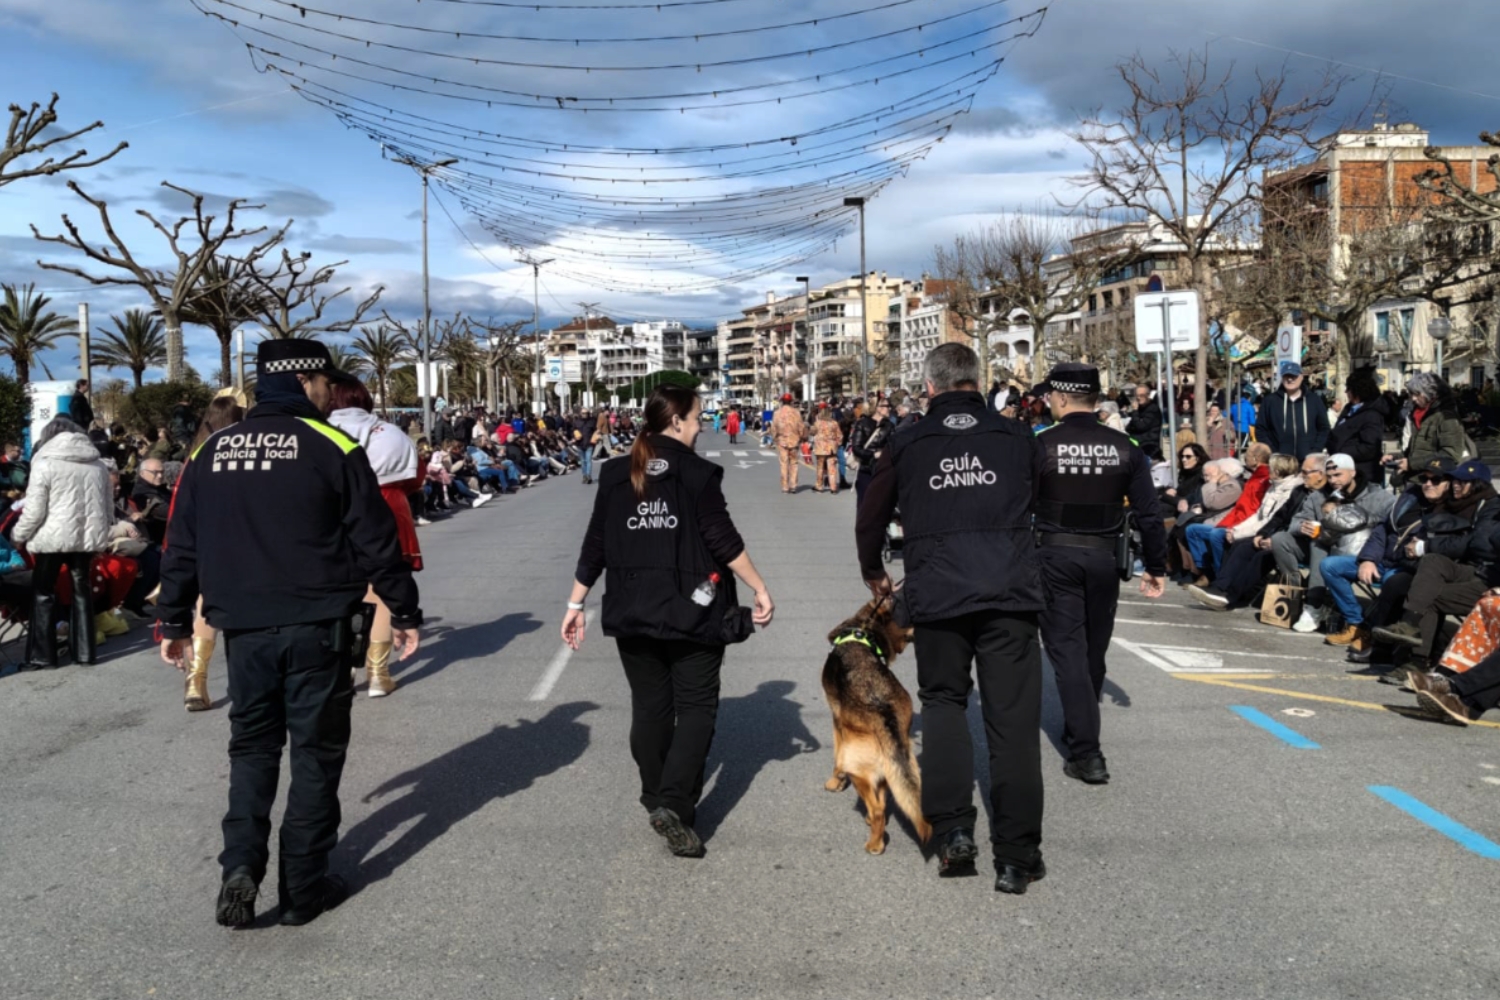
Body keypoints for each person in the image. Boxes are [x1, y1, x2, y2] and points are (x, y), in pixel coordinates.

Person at [156, 339, 421, 929]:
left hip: (243, 630)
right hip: (317, 626)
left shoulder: (214, 450)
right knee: (315, 753)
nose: (329, 390)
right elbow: (376, 541)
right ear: (305, 381)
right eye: (325, 381)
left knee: (251, 750)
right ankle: (303, 885)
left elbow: (182, 545)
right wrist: (403, 612)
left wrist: (173, 620)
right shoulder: (333, 445)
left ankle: (240, 869)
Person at [855, 343, 1048, 894]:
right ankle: (1016, 854)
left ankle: (954, 834)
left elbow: (870, 515)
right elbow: (1048, 502)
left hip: (938, 589)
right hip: (1010, 589)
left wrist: (874, 570)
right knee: (1013, 724)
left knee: (944, 703)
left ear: (931, 387)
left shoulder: (907, 440)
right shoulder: (1016, 437)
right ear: (977, 382)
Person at [563, 384, 774, 858]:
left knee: (650, 706)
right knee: (696, 707)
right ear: (676, 421)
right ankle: (675, 805)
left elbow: (595, 543)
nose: (701, 427)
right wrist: (760, 588)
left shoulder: (617, 472)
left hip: (631, 608)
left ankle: (655, 794)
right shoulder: (696, 474)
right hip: (693, 612)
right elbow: (723, 540)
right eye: (698, 419)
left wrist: (575, 605)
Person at [1032, 364, 1167, 787]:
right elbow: (1149, 511)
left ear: (1060, 398)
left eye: (1049, 396)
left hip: (1054, 556)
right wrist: (1158, 567)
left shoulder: (1040, 443)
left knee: (1068, 651)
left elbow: (1015, 504)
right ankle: (1080, 728)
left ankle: (1087, 752)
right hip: (1104, 559)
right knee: (1092, 650)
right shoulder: (1126, 446)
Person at [328, 380, 424, 698]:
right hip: (388, 503)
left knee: (338, 588)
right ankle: (378, 673)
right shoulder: (391, 432)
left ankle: (342, 669)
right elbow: (415, 476)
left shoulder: (319, 430)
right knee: (381, 588)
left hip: (335, 509)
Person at [13, 417, 112, 669]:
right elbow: (107, 507)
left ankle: (42, 656)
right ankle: (85, 653)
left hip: (52, 537)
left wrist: (18, 535)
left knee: (43, 592)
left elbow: (34, 511)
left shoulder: (44, 464)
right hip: (86, 538)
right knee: (82, 590)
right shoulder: (98, 464)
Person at [177, 395, 246, 711]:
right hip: (243, 539)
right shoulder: (243, 449)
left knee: (205, 606)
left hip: (206, 541)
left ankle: (196, 679)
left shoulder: (197, 455)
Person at [1326, 367, 1391, 485]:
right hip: (1343, 469)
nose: (1346, 392)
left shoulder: (1372, 415)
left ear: (1358, 390)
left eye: (1348, 389)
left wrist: (1341, 451)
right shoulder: (1349, 409)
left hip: (1362, 474)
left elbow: (1369, 448)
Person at [1255, 362, 1330, 461]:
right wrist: (1274, 452)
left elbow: (1324, 428)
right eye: (1286, 376)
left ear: (1301, 377)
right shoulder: (1270, 401)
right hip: (1279, 462)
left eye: (1293, 376)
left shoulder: (1314, 400)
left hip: (1308, 461)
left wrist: (1315, 450)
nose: (1290, 379)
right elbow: (1261, 429)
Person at [849, 398, 894, 508]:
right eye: (886, 406)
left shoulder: (889, 425)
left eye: (888, 406)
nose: (889, 408)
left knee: (881, 507)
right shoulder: (863, 424)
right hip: (866, 470)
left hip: (882, 470)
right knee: (864, 506)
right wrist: (873, 454)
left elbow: (894, 445)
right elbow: (856, 448)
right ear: (877, 408)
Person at [771, 393, 806, 494]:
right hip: (794, 440)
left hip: (782, 441)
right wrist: (801, 436)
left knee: (784, 464)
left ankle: (785, 486)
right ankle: (793, 485)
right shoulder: (796, 413)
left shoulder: (777, 413)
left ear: (782, 401)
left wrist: (775, 438)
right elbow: (801, 427)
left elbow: (774, 428)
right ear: (791, 401)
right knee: (794, 463)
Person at [1125, 385, 1163, 461]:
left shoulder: (1152, 408)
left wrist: (1135, 411)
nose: (1138, 398)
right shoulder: (1140, 409)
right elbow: (1128, 427)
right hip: (1138, 444)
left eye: (1142, 395)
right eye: (1137, 395)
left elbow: (1141, 426)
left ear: (1148, 395)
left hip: (1149, 446)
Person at [811, 405, 841, 494]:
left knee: (820, 467)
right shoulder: (834, 423)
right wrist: (837, 444)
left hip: (820, 448)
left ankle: (819, 486)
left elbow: (812, 432)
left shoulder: (817, 423)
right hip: (831, 448)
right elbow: (839, 435)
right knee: (832, 468)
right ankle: (833, 488)